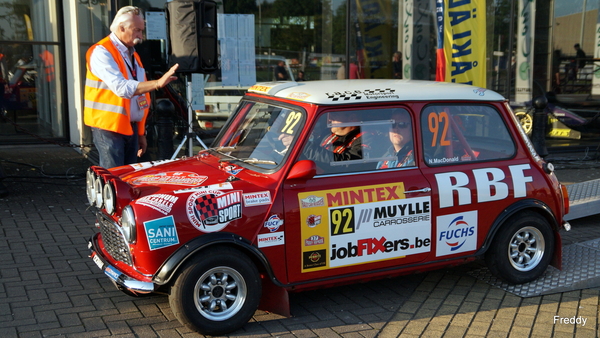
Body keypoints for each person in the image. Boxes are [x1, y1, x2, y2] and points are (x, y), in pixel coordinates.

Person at [84, 6, 179, 169]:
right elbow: (122, 88)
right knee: (114, 179)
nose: (141, 36)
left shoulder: (133, 54)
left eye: (141, 31)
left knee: (128, 178)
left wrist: (141, 133)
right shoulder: (101, 52)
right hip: (109, 127)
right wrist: (156, 84)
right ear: (121, 28)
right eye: (137, 30)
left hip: (130, 127)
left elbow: (139, 98)